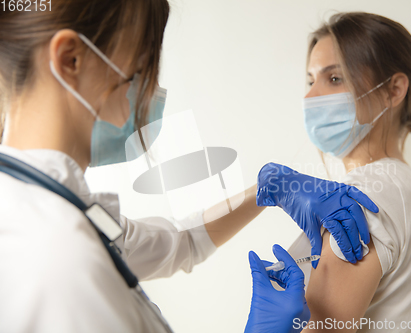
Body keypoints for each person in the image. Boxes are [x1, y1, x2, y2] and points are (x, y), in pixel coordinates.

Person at [0, 1, 377, 332]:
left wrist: (269, 188)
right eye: (140, 68)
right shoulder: (56, 255)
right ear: (71, 59)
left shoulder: (47, 206)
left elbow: (181, 242)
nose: (150, 91)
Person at [257, 12, 411, 332]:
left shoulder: (364, 195)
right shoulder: (407, 186)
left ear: (394, 89)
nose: (309, 97)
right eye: (311, 80)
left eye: (334, 78)